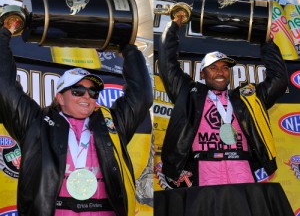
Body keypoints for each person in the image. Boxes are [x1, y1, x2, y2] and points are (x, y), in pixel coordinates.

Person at [0, 21, 152, 216]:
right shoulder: (35, 123)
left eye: (92, 92)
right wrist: (4, 33)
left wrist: (128, 49)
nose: (86, 96)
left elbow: (142, 95)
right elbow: (4, 87)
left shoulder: (112, 124)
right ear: (60, 97)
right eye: (78, 91)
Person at [158, 13, 288, 187]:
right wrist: (174, 25)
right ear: (202, 74)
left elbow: (279, 79)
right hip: (202, 171)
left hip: (242, 170)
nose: (220, 72)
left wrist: (267, 43)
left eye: (225, 67)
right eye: (213, 67)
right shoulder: (189, 94)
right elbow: (168, 64)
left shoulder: (247, 98)